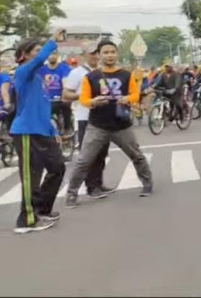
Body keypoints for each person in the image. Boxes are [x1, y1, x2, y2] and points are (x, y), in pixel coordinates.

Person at [65, 40, 153, 208]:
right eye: (105, 52)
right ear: (99, 55)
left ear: (117, 53)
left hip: (121, 125)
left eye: (112, 52)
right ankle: (72, 193)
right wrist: (93, 101)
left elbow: (135, 94)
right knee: (83, 161)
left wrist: (128, 98)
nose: (109, 55)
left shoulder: (127, 75)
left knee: (136, 155)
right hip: (97, 125)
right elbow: (83, 99)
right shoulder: (91, 77)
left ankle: (147, 184)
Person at [11, 29, 68, 234]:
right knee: (31, 176)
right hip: (26, 131)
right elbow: (41, 58)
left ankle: (41, 209)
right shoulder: (23, 71)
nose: (40, 53)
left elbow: (42, 106)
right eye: (35, 50)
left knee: (58, 167)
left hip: (43, 131)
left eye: (39, 49)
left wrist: (53, 130)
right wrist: (52, 40)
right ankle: (26, 220)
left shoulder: (38, 77)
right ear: (25, 55)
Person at [62, 42, 115, 199]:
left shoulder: (103, 72)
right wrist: (85, 97)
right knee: (88, 155)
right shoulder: (77, 73)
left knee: (101, 153)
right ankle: (89, 188)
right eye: (92, 53)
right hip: (85, 118)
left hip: (103, 118)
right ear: (84, 55)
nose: (95, 56)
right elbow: (65, 95)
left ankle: (97, 183)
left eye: (98, 53)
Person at [38, 50, 73, 135]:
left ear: (57, 55)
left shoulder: (64, 68)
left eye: (54, 54)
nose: (51, 56)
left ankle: (67, 128)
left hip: (60, 97)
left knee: (66, 106)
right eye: (49, 54)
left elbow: (66, 83)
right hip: (46, 98)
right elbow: (39, 84)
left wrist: (64, 94)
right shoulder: (41, 70)